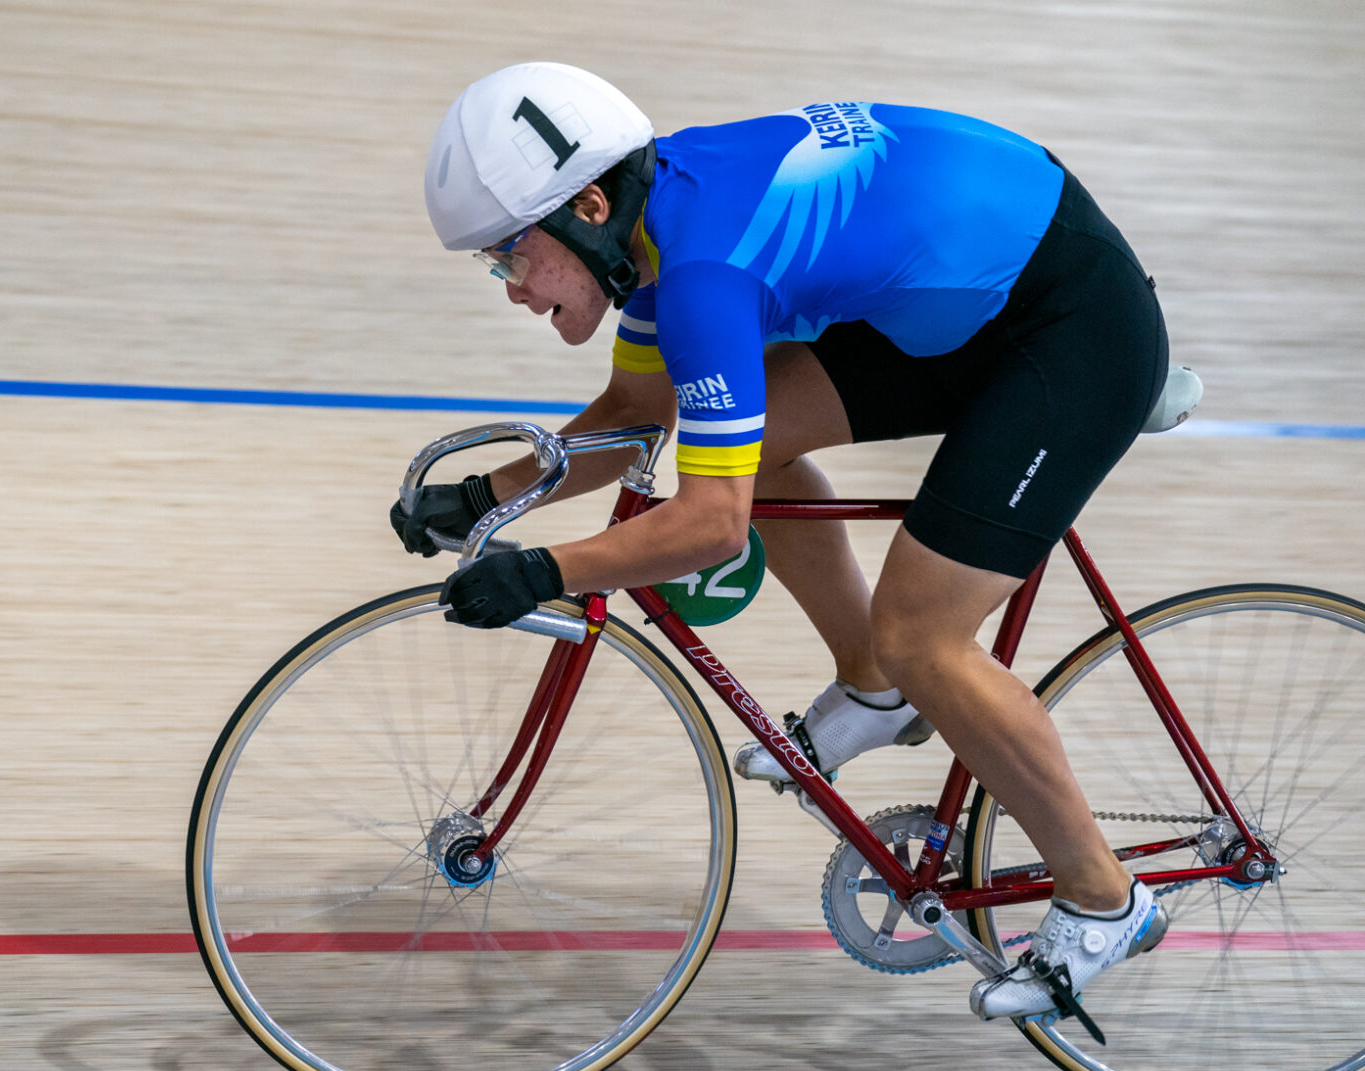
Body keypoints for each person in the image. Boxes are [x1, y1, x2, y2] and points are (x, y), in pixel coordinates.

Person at [395, 62, 1171, 1022]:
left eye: (512, 256)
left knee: (925, 636)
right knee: (762, 469)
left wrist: (545, 572)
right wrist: (483, 499)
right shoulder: (652, 241)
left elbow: (709, 524)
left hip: (1065, 322)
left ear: (589, 205)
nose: (512, 289)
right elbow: (641, 414)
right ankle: (874, 684)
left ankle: (1104, 900)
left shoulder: (703, 277)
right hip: (960, 295)